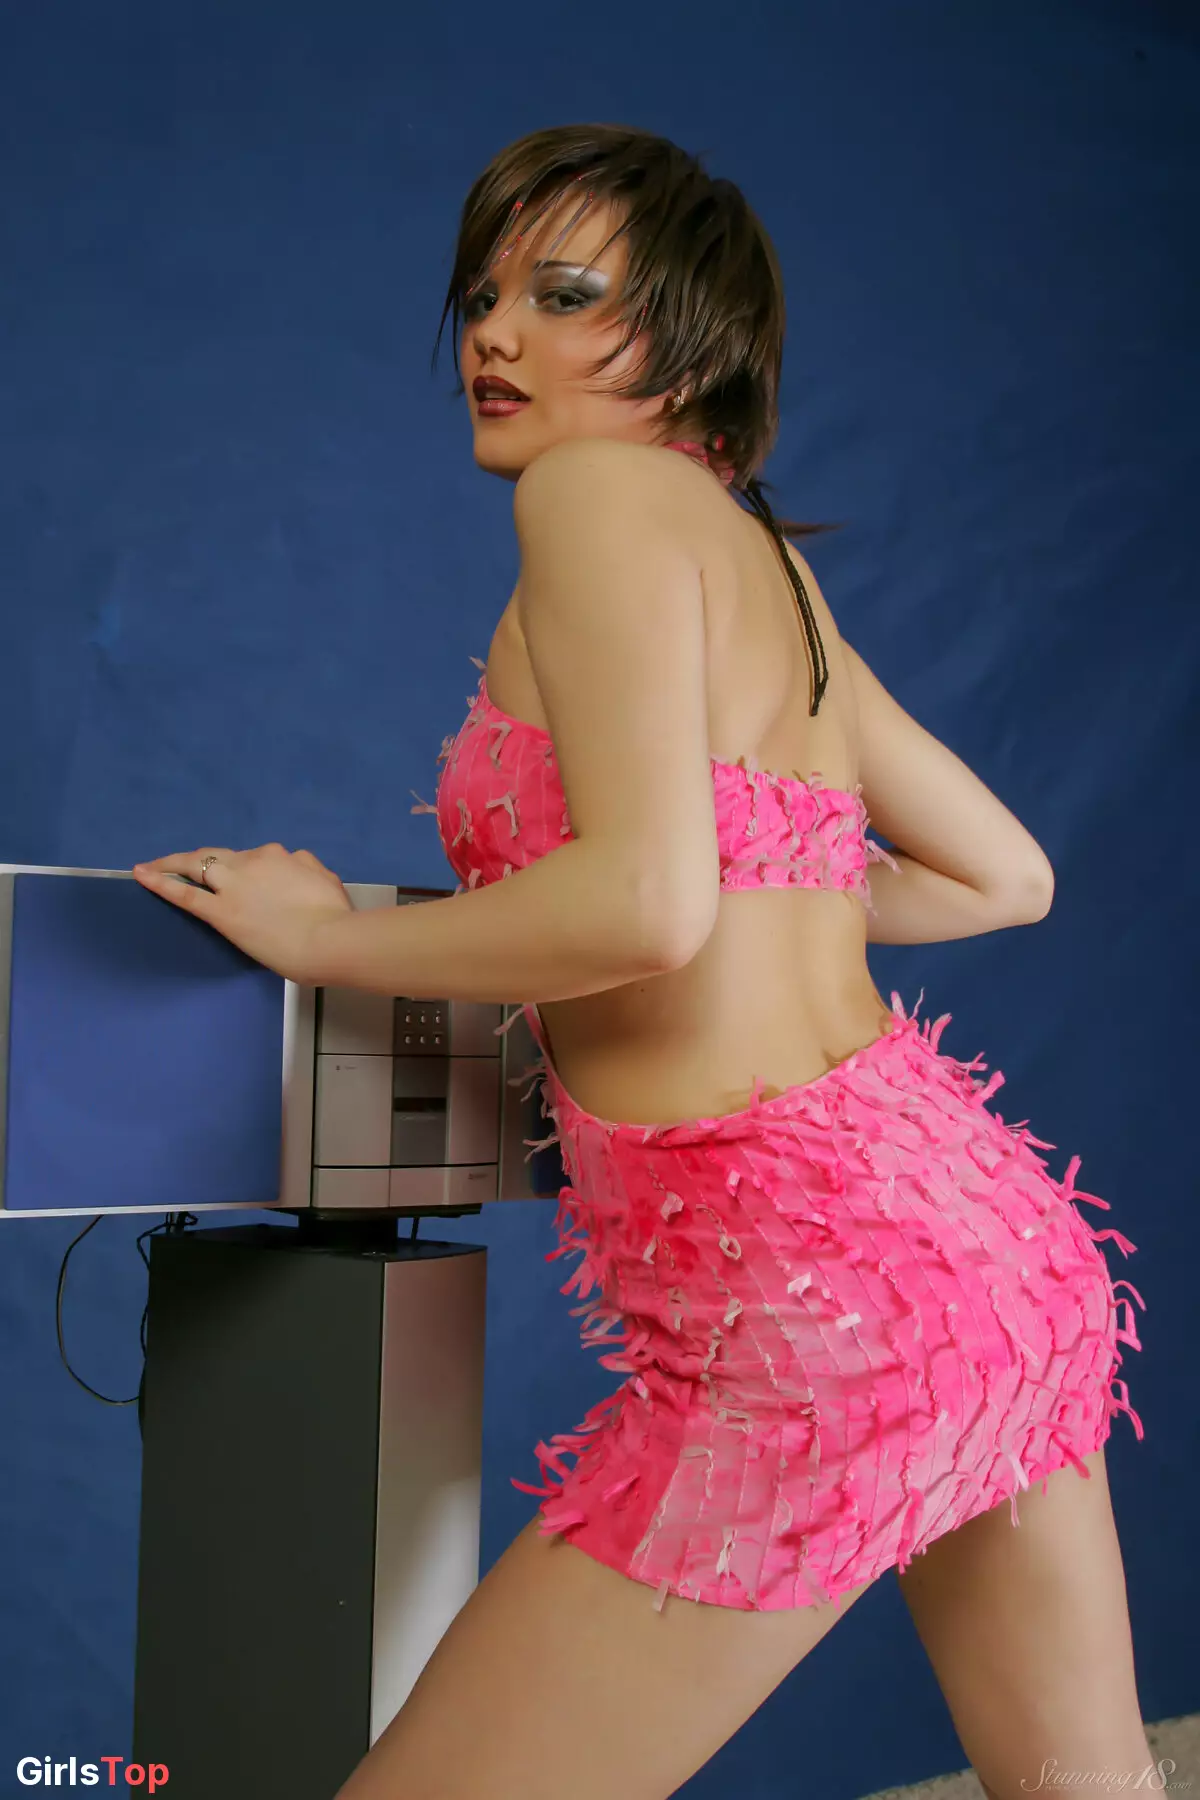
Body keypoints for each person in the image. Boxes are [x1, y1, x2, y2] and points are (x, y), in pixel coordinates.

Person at [133, 124, 1152, 1800]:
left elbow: (646, 907)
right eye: (481, 296)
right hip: (991, 1264)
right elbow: (1005, 876)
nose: (492, 334)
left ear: (688, 344)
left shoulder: (594, 495)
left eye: (561, 295)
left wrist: (323, 939)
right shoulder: (766, 568)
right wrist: (761, 895)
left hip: (802, 1315)